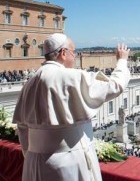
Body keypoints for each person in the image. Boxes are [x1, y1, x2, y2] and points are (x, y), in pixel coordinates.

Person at [12, 33, 131, 181]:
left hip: (34, 163)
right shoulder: (72, 77)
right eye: (73, 52)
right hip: (69, 164)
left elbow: (23, 129)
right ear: (63, 53)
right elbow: (114, 86)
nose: (75, 56)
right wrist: (122, 61)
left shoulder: (29, 84)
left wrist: (32, 154)